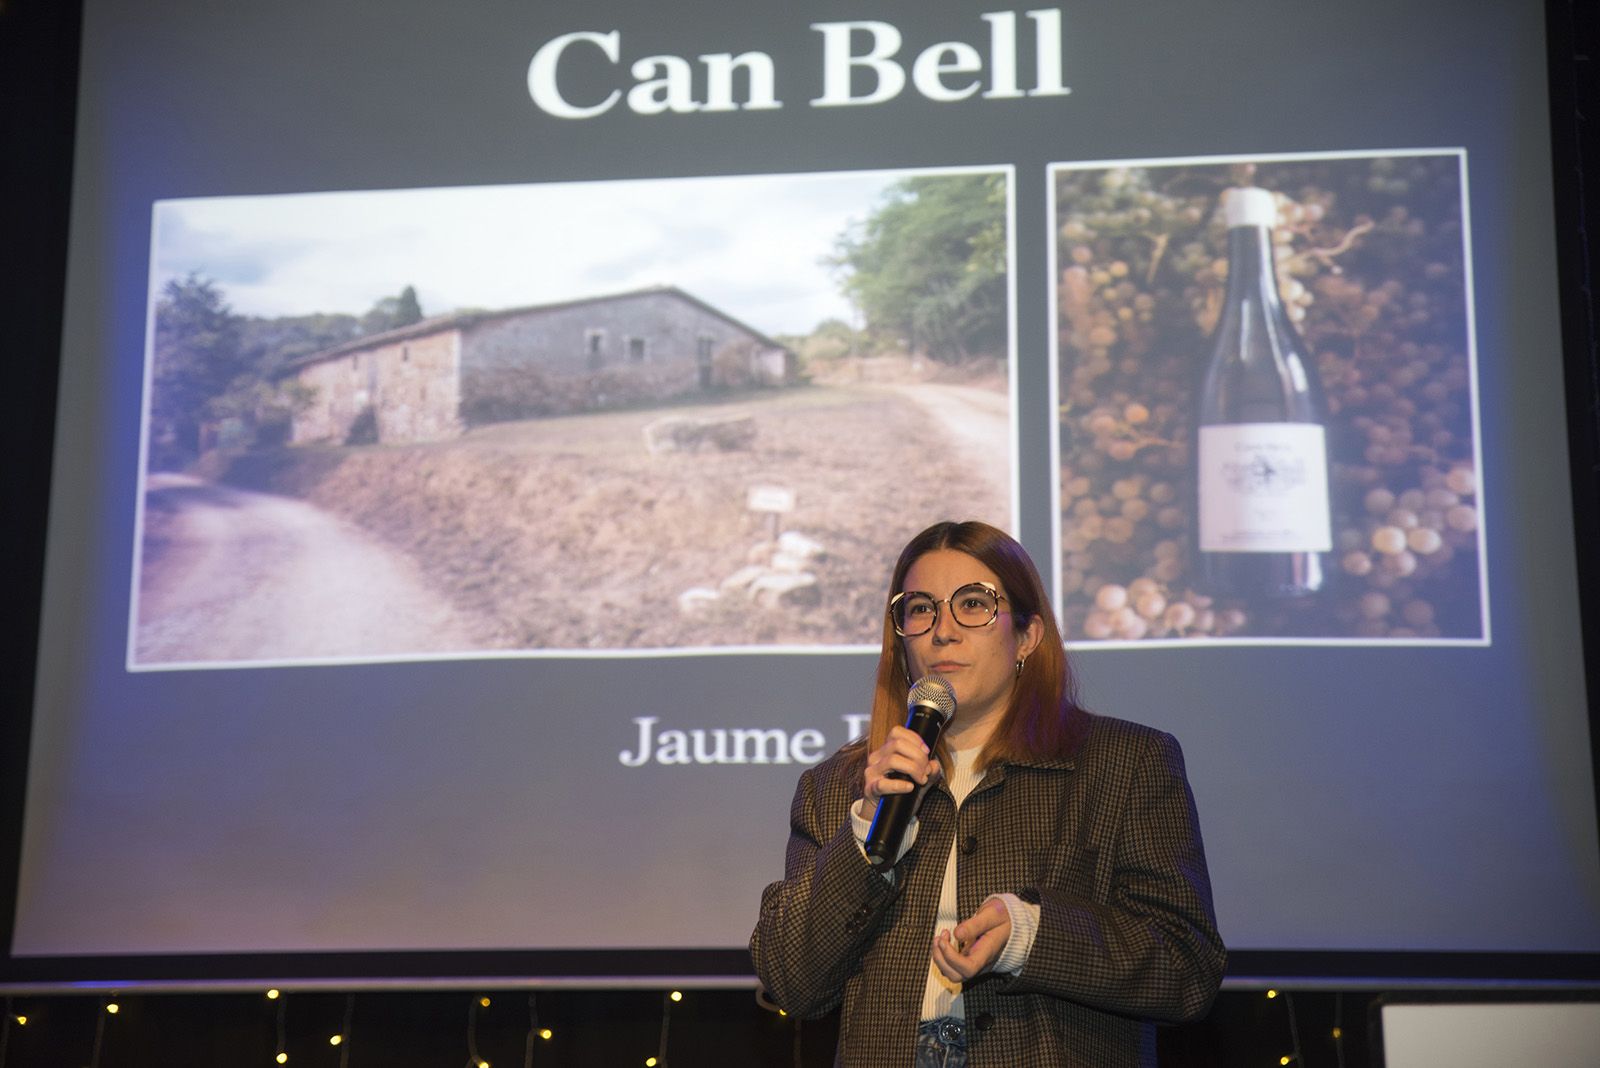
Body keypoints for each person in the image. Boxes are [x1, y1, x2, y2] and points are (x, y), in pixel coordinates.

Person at [750, 520, 1225, 1067]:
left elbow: (1187, 969)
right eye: (921, 608)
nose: (942, 631)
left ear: (1026, 636)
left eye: (973, 604)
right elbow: (792, 981)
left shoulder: (1126, 763)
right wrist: (866, 834)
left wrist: (1030, 935)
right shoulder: (839, 788)